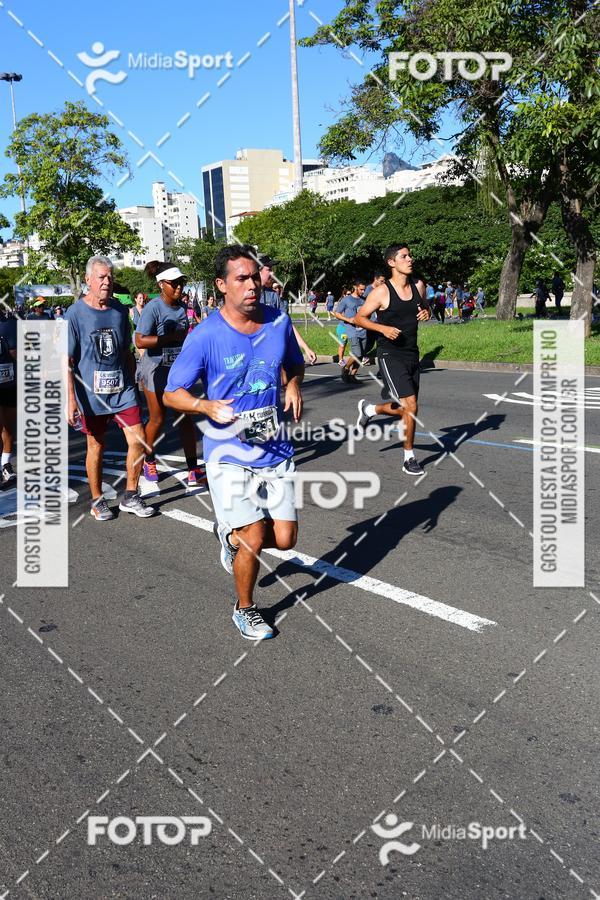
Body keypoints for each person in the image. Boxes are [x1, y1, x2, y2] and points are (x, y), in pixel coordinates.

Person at [163, 244, 305, 641]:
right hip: (227, 452)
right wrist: (204, 404)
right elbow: (172, 393)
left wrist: (293, 385)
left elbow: (294, 363)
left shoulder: (278, 321)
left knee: (285, 539)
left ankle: (227, 535)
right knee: (255, 536)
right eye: (241, 278)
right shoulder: (205, 335)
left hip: (274, 447)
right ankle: (245, 609)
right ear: (221, 285)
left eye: (254, 276)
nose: (252, 284)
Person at [66, 255, 155, 520]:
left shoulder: (118, 311)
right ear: (88, 280)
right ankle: (96, 500)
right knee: (96, 446)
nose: (107, 282)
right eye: (101, 277)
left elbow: (127, 351)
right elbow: (66, 360)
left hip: (123, 390)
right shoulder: (75, 313)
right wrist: (71, 400)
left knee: (137, 439)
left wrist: (134, 382)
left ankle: (131, 494)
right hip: (92, 395)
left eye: (110, 277)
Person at [354, 243, 430, 477]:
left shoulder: (419, 286)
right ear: (391, 263)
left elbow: (425, 307)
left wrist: (426, 312)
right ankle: (409, 458)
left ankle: (370, 409)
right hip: (389, 354)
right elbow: (359, 318)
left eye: (410, 255)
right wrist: (382, 329)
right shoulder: (382, 292)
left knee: (408, 408)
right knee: (412, 406)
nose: (410, 259)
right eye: (404, 256)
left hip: (411, 352)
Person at [134, 261, 206, 489]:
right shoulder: (153, 308)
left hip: (178, 370)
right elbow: (139, 340)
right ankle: (149, 459)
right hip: (154, 369)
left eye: (181, 283)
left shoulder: (183, 308)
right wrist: (168, 339)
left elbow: (185, 337)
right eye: (174, 283)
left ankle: (193, 468)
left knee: (185, 416)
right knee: (157, 418)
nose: (179, 287)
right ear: (161, 284)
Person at [258, 252, 316, 364]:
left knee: (294, 372)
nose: (272, 272)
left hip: (273, 352)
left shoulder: (273, 295)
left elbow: (286, 323)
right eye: (268, 269)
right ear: (257, 270)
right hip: (254, 354)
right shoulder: (244, 295)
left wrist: (305, 347)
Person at [334, 278, 368, 383]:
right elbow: (337, 313)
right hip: (351, 330)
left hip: (363, 330)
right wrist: (348, 319)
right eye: (361, 289)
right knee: (357, 353)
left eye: (364, 289)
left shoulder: (364, 299)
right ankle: (346, 368)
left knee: (361, 355)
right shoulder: (346, 300)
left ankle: (352, 376)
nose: (363, 291)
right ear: (355, 287)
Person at [0, 308, 17, 484]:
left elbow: (16, 354)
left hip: (10, 384)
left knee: (8, 427)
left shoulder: (10, 325)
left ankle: (5, 465)